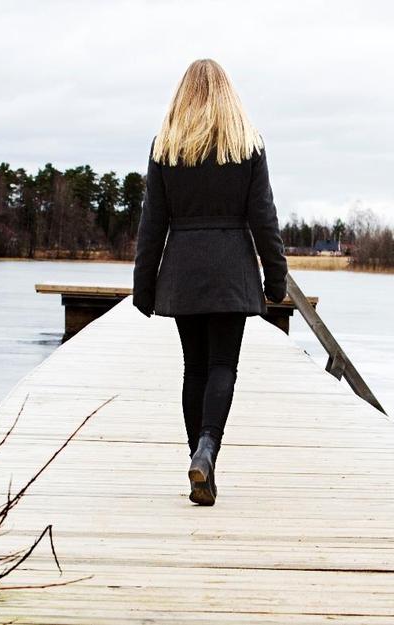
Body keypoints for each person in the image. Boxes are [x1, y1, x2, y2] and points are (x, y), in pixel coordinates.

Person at [132, 59, 288, 506]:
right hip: (231, 272)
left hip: (184, 270)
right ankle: (208, 450)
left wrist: (144, 287)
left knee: (194, 368)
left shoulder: (167, 147)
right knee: (223, 366)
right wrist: (275, 278)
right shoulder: (247, 146)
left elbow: (152, 224)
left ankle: (199, 462)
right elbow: (265, 218)